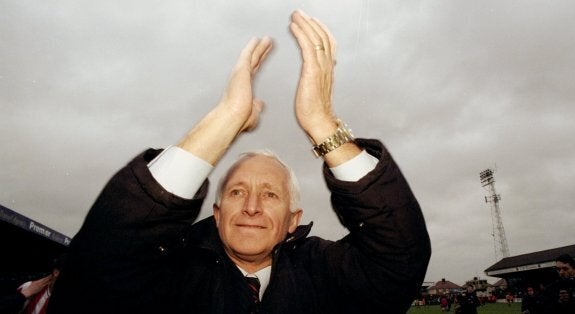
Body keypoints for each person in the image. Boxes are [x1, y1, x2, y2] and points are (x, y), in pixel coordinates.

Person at [47, 10, 431, 314]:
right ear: (216, 213)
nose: (251, 207)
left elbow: (400, 255)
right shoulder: (166, 273)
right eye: (236, 192)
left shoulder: (326, 272)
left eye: (269, 195)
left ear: (293, 220)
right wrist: (225, 120)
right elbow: (102, 257)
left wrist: (321, 123)